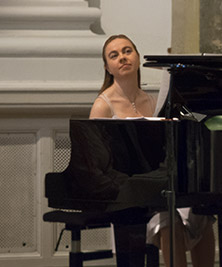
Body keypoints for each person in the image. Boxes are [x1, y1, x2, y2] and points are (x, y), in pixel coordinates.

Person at [90, 34, 215, 267]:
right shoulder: (102, 105)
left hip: (157, 186)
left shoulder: (152, 100)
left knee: (202, 215)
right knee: (168, 219)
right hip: (127, 194)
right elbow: (96, 161)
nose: (122, 58)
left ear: (137, 58)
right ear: (108, 67)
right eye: (114, 55)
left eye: (127, 51)